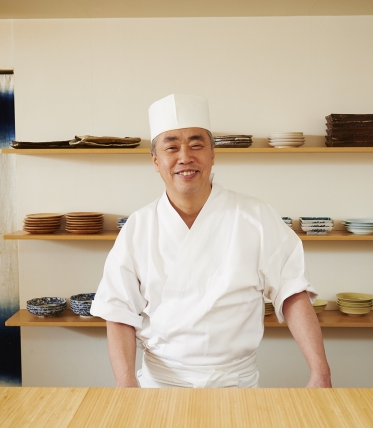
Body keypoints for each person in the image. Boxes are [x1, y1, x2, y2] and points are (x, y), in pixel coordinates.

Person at [90, 94, 331, 388]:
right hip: (160, 387)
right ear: (155, 160)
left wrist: (320, 372)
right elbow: (118, 312)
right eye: (171, 147)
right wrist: (126, 386)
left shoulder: (255, 217)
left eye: (196, 144)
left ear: (213, 154)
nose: (184, 157)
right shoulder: (138, 227)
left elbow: (293, 292)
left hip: (235, 385)